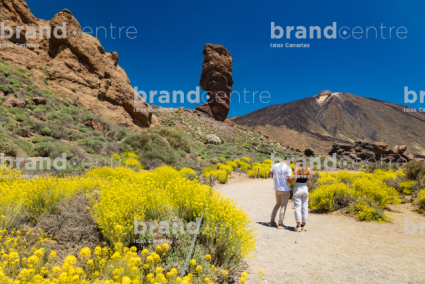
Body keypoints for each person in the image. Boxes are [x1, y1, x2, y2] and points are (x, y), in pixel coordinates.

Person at [268, 160, 293, 229]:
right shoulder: (288, 168)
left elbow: (269, 175)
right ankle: (280, 223)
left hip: (277, 188)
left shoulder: (274, 165)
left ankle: (272, 220)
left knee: (277, 204)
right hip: (285, 189)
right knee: (283, 206)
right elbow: (289, 181)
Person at [293, 160, 312, 232]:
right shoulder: (308, 170)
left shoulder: (296, 169)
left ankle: (298, 226)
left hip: (297, 187)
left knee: (297, 207)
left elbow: (294, 180)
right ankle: (304, 225)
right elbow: (308, 181)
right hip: (305, 188)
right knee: (305, 207)